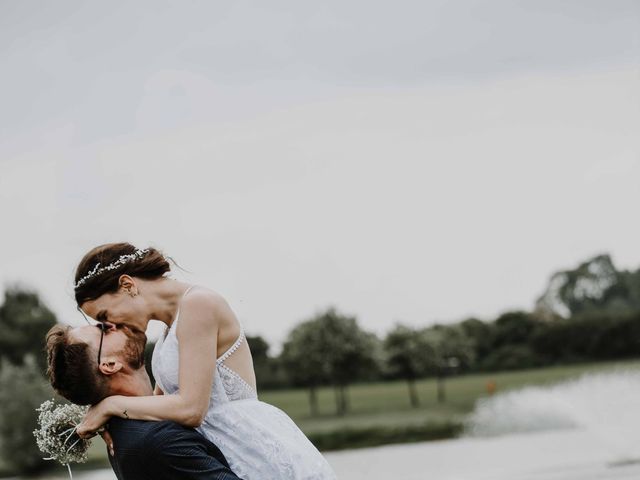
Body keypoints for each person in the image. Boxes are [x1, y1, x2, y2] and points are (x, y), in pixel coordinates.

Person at [72, 242, 337, 480]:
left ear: (128, 285)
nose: (112, 325)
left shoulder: (199, 305)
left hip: (249, 449)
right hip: (217, 449)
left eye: (105, 315)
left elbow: (191, 410)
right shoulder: (168, 330)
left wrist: (111, 405)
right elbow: (159, 407)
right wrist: (114, 424)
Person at [45, 323, 243, 480]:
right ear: (110, 365)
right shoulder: (158, 441)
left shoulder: (126, 430)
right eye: (103, 330)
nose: (112, 324)